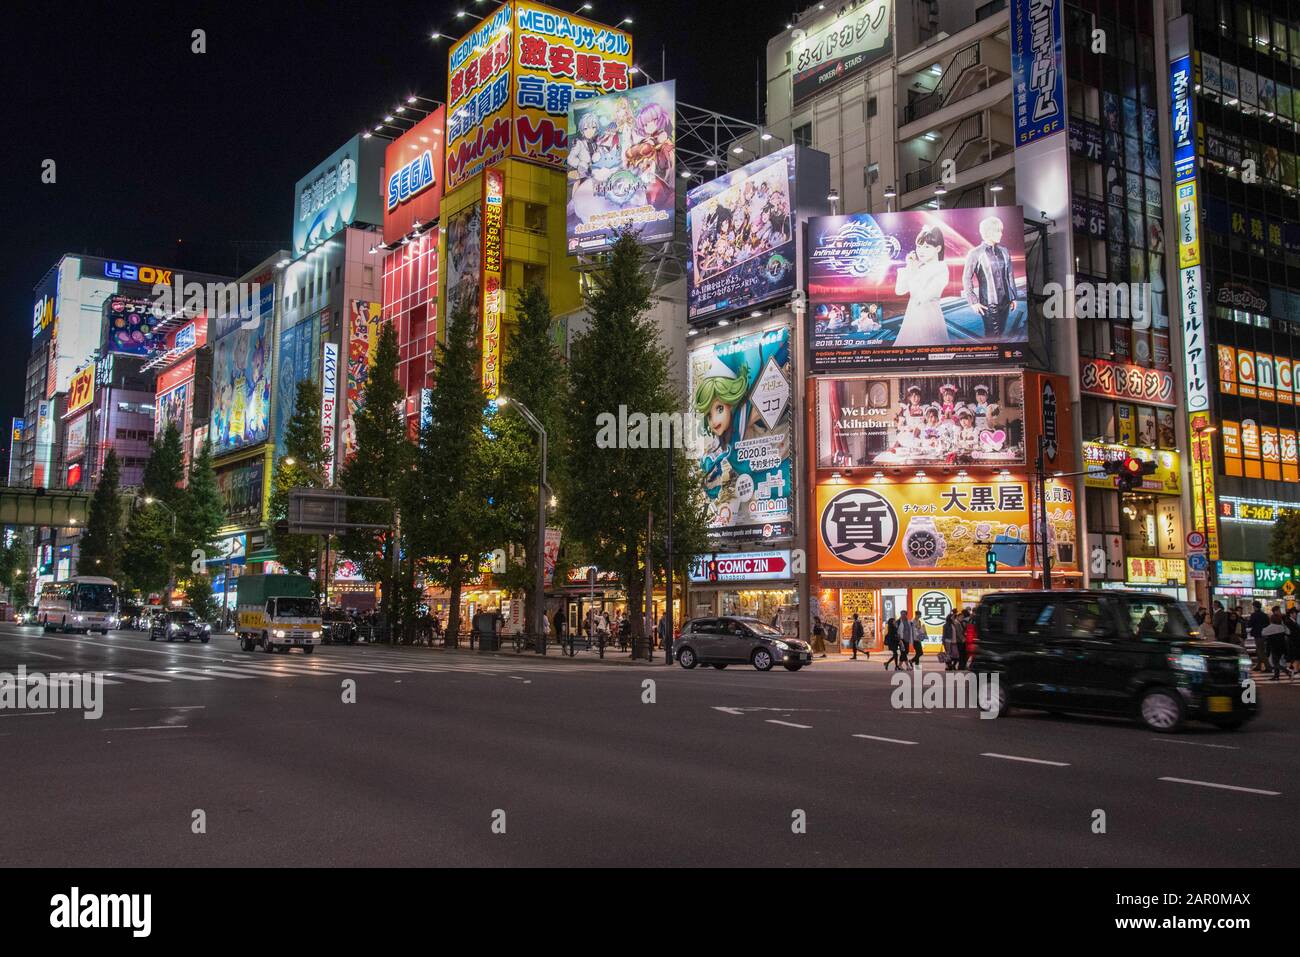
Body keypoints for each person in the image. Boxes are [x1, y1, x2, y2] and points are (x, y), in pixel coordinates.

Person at [960, 214, 1018, 339]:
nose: (1001, 234)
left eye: (1001, 231)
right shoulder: (975, 253)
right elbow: (966, 277)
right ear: (987, 232)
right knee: (992, 336)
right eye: (997, 231)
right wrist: (973, 301)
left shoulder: (1004, 251)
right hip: (988, 303)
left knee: (1000, 333)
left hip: (1006, 301)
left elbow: (1009, 275)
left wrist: (1013, 297)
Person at [894, 226, 950, 347]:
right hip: (912, 317)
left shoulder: (941, 269)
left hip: (929, 318)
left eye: (926, 247)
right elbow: (900, 290)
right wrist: (909, 267)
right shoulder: (919, 267)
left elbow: (922, 298)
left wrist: (913, 271)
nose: (921, 251)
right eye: (919, 246)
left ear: (938, 248)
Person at [1262, 607, 1290, 680]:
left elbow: (1263, 633)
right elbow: (1288, 632)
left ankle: (1287, 671)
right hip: (1281, 647)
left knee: (1275, 663)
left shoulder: (1269, 627)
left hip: (1273, 647)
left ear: (1271, 620)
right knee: (1276, 661)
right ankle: (1276, 676)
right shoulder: (1281, 627)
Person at [1248, 601, 1270, 671]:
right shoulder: (1264, 615)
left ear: (1255, 607)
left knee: (1260, 651)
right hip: (1264, 634)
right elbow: (1267, 624)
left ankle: (1268, 666)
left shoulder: (1254, 615)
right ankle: (1258, 665)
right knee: (1259, 650)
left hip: (1258, 634)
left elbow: (1250, 624)